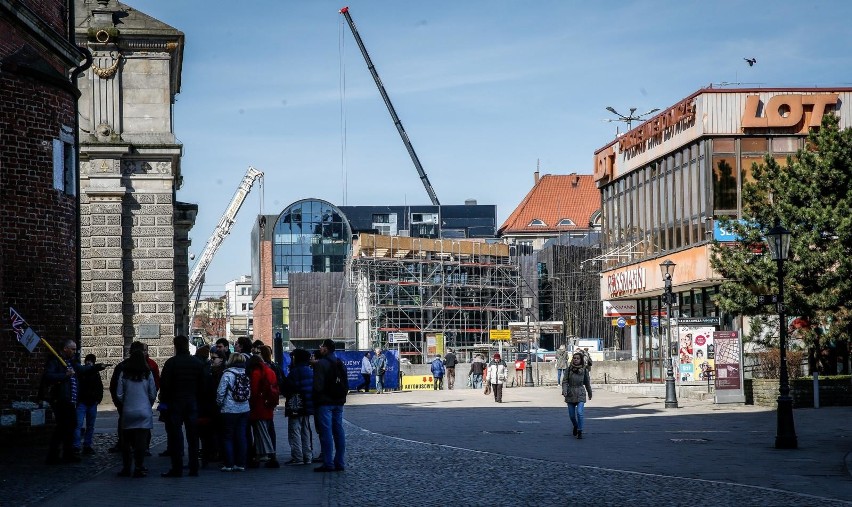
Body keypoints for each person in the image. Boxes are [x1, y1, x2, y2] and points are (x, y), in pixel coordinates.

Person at [44, 340, 104, 464]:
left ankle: (68, 452)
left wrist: (96, 367)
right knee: (62, 427)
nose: (74, 351)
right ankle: (53, 455)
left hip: (71, 400)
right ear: (65, 349)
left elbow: (82, 370)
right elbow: (48, 376)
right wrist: (65, 375)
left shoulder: (72, 362)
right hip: (61, 399)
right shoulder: (56, 361)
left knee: (71, 426)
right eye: (72, 349)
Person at [159, 335, 205, 478]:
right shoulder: (197, 363)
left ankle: (177, 468)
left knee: (175, 436)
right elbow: (203, 385)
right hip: (192, 402)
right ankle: (194, 467)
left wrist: (164, 402)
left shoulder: (171, 363)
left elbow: (164, 385)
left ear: (175, 346)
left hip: (175, 402)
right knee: (193, 437)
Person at [116, 349, 158, 477]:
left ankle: (126, 467)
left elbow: (119, 394)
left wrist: (126, 402)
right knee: (141, 441)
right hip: (144, 410)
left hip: (128, 410)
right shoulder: (147, 373)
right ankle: (139, 466)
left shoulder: (124, 373)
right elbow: (153, 393)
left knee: (126, 442)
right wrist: (148, 404)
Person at [312, 338, 347, 472]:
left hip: (325, 402)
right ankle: (340, 462)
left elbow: (318, 386)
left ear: (326, 348)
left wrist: (317, 397)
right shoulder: (340, 362)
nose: (320, 349)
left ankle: (328, 463)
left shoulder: (321, 364)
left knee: (325, 432)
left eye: (321, 347)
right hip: (338, 401)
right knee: (338, 431)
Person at [109, 341, 145, 454]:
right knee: (141, 430)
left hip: (126, 405)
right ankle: (140, 453)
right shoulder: (146, 369)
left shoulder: (123, 366)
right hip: (141, 405)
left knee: (125, 430)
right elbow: (152, 390)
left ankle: (125, 449)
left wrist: (120, 402)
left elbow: (115, 387)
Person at [216, 353, 250, 472]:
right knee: (241, 436)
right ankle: (240, 463)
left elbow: (221, 392)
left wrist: (220, 404)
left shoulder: (227, 374)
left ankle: (229, 464)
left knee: (228, 437)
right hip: (244, 408)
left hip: (229, 409)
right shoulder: (245, 373)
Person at [247, 354, 279, 468]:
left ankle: (269, 456)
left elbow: (254, 392)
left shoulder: (256, 373)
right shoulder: (270, 371)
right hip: (269, 405)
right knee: (266, 431)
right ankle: (262, 455)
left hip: (259, 406)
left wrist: (251, 404)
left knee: (261, 432)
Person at [283, 348, 314, 465]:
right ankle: (308, 456)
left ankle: (298, 456)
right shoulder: (310, 371)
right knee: (306, 430)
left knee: (294, 430)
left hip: (296, 406)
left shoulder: (295, 372)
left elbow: (289, 389)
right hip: (307, 405)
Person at [74, 353, 104, 455]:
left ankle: (81, 445)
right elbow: (99, 388)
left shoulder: (89, 373)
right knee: (84, 425)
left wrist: (98, 399)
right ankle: (81, 445)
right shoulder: (89, 372)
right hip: (85, 402)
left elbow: (99, 388)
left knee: (83, 425)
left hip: (87, 402)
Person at [562, 352, 593, 439]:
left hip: (580, 392)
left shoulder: (584, 370)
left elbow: (587, 383)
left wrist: (590, 393)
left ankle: (580, 430)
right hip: (570, 393)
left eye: (577, 358)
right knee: (572, 416)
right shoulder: (568, 370)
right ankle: (575, 425)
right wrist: (564, 390)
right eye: (574, 358)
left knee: (580, 412)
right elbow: (565, 381)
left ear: (581, 360)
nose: (576, 360)